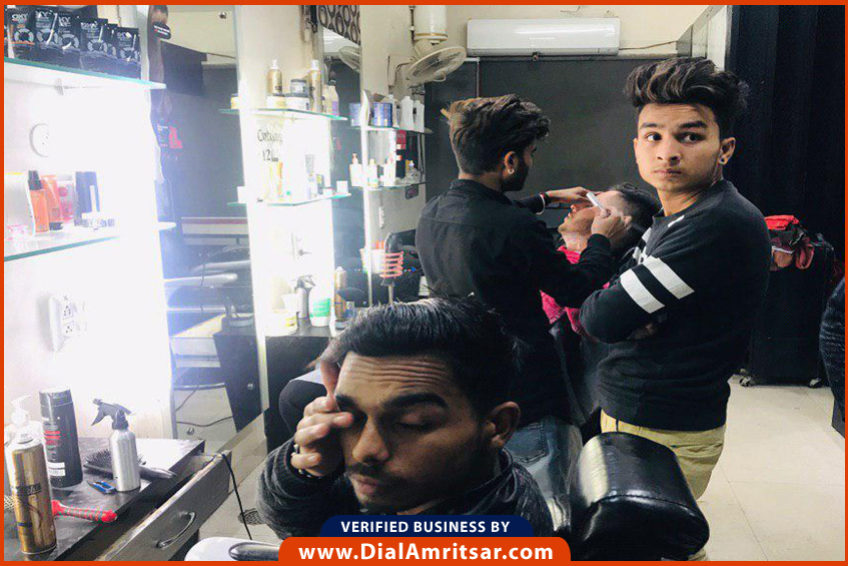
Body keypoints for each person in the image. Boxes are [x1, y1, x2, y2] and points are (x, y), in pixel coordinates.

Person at [579, 57, 771, 559]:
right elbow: (615, 303)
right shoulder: (677, 216)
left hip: (663, 422)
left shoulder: (716, 223)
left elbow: (600, 318)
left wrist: (623, 308)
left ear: (724, 148)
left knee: (653, 549)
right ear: (637, 146)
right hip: (642, 411)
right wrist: (625, 307)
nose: (667, 152)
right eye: (653, 136)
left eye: (689, 136)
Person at [415, 95, 627, 526]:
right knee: (544, 509)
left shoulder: (433, 212)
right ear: (510, 161)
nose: (530, 161)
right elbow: (576, 288)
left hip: (463, 382)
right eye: (529, 154)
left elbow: (488, 215)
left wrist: (545, 198)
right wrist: (601, 239)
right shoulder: (516, 228)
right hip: (525, 392)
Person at [257, 298, 554, 538]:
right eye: (353, 416)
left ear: (498, 426)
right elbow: (300, 523)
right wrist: (308, 472)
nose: (363, 450)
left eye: (411, 423)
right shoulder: (423, 485)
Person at [543, 183, 661, 330]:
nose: (573, 206)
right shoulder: (542, 256)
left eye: (589, 204)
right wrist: (544, 199)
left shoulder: (611, 298)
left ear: (616, 221)